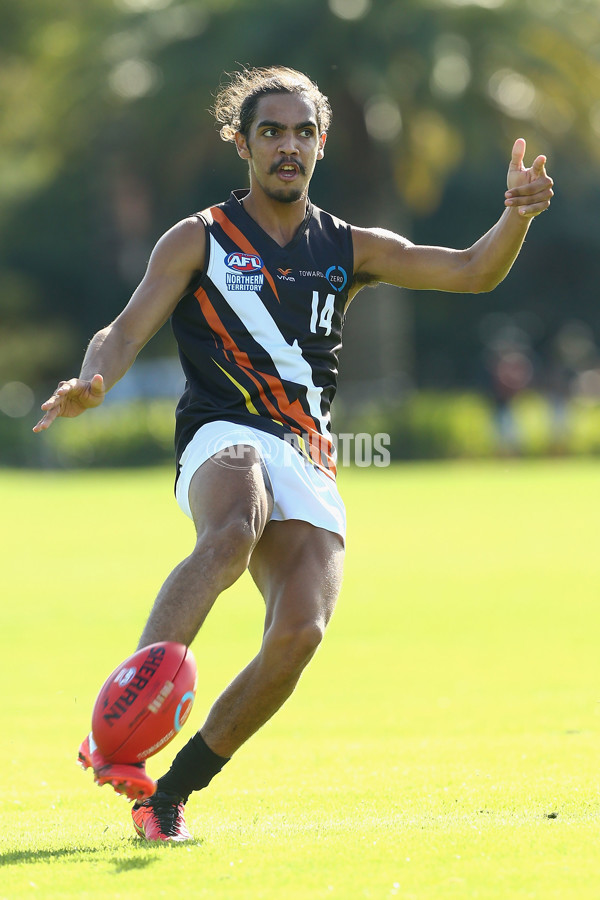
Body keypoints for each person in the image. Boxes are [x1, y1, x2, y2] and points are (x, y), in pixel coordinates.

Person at [33, 66, 553, 842]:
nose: (288, 146)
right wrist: (95, 379)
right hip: (222, 432)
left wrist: (516, 213)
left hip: (305, 449)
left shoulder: (348, 245)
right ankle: (124, 721)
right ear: (241, 144)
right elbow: (124, 327)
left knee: (300, 635)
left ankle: (165, 797)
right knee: (234, 527)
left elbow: (471, 269)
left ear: (320, 146)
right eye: (271, 131)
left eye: (303, 132)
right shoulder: (199, 237)